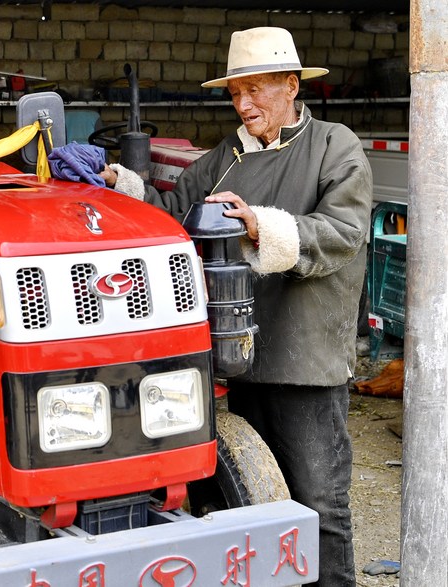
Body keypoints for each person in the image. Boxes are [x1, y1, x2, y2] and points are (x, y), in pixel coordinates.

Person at [101, 27, 372, 587]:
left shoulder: (333, 145)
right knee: (251, 498)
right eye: (236, 93)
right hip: (240, 354)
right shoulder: (225, 157)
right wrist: (120, 183)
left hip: (306, 358)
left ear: (291, 85)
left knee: (319, 502)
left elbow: (343, 232)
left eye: (256, 90)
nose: (244, 104)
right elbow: (171, 212)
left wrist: (258, 224)